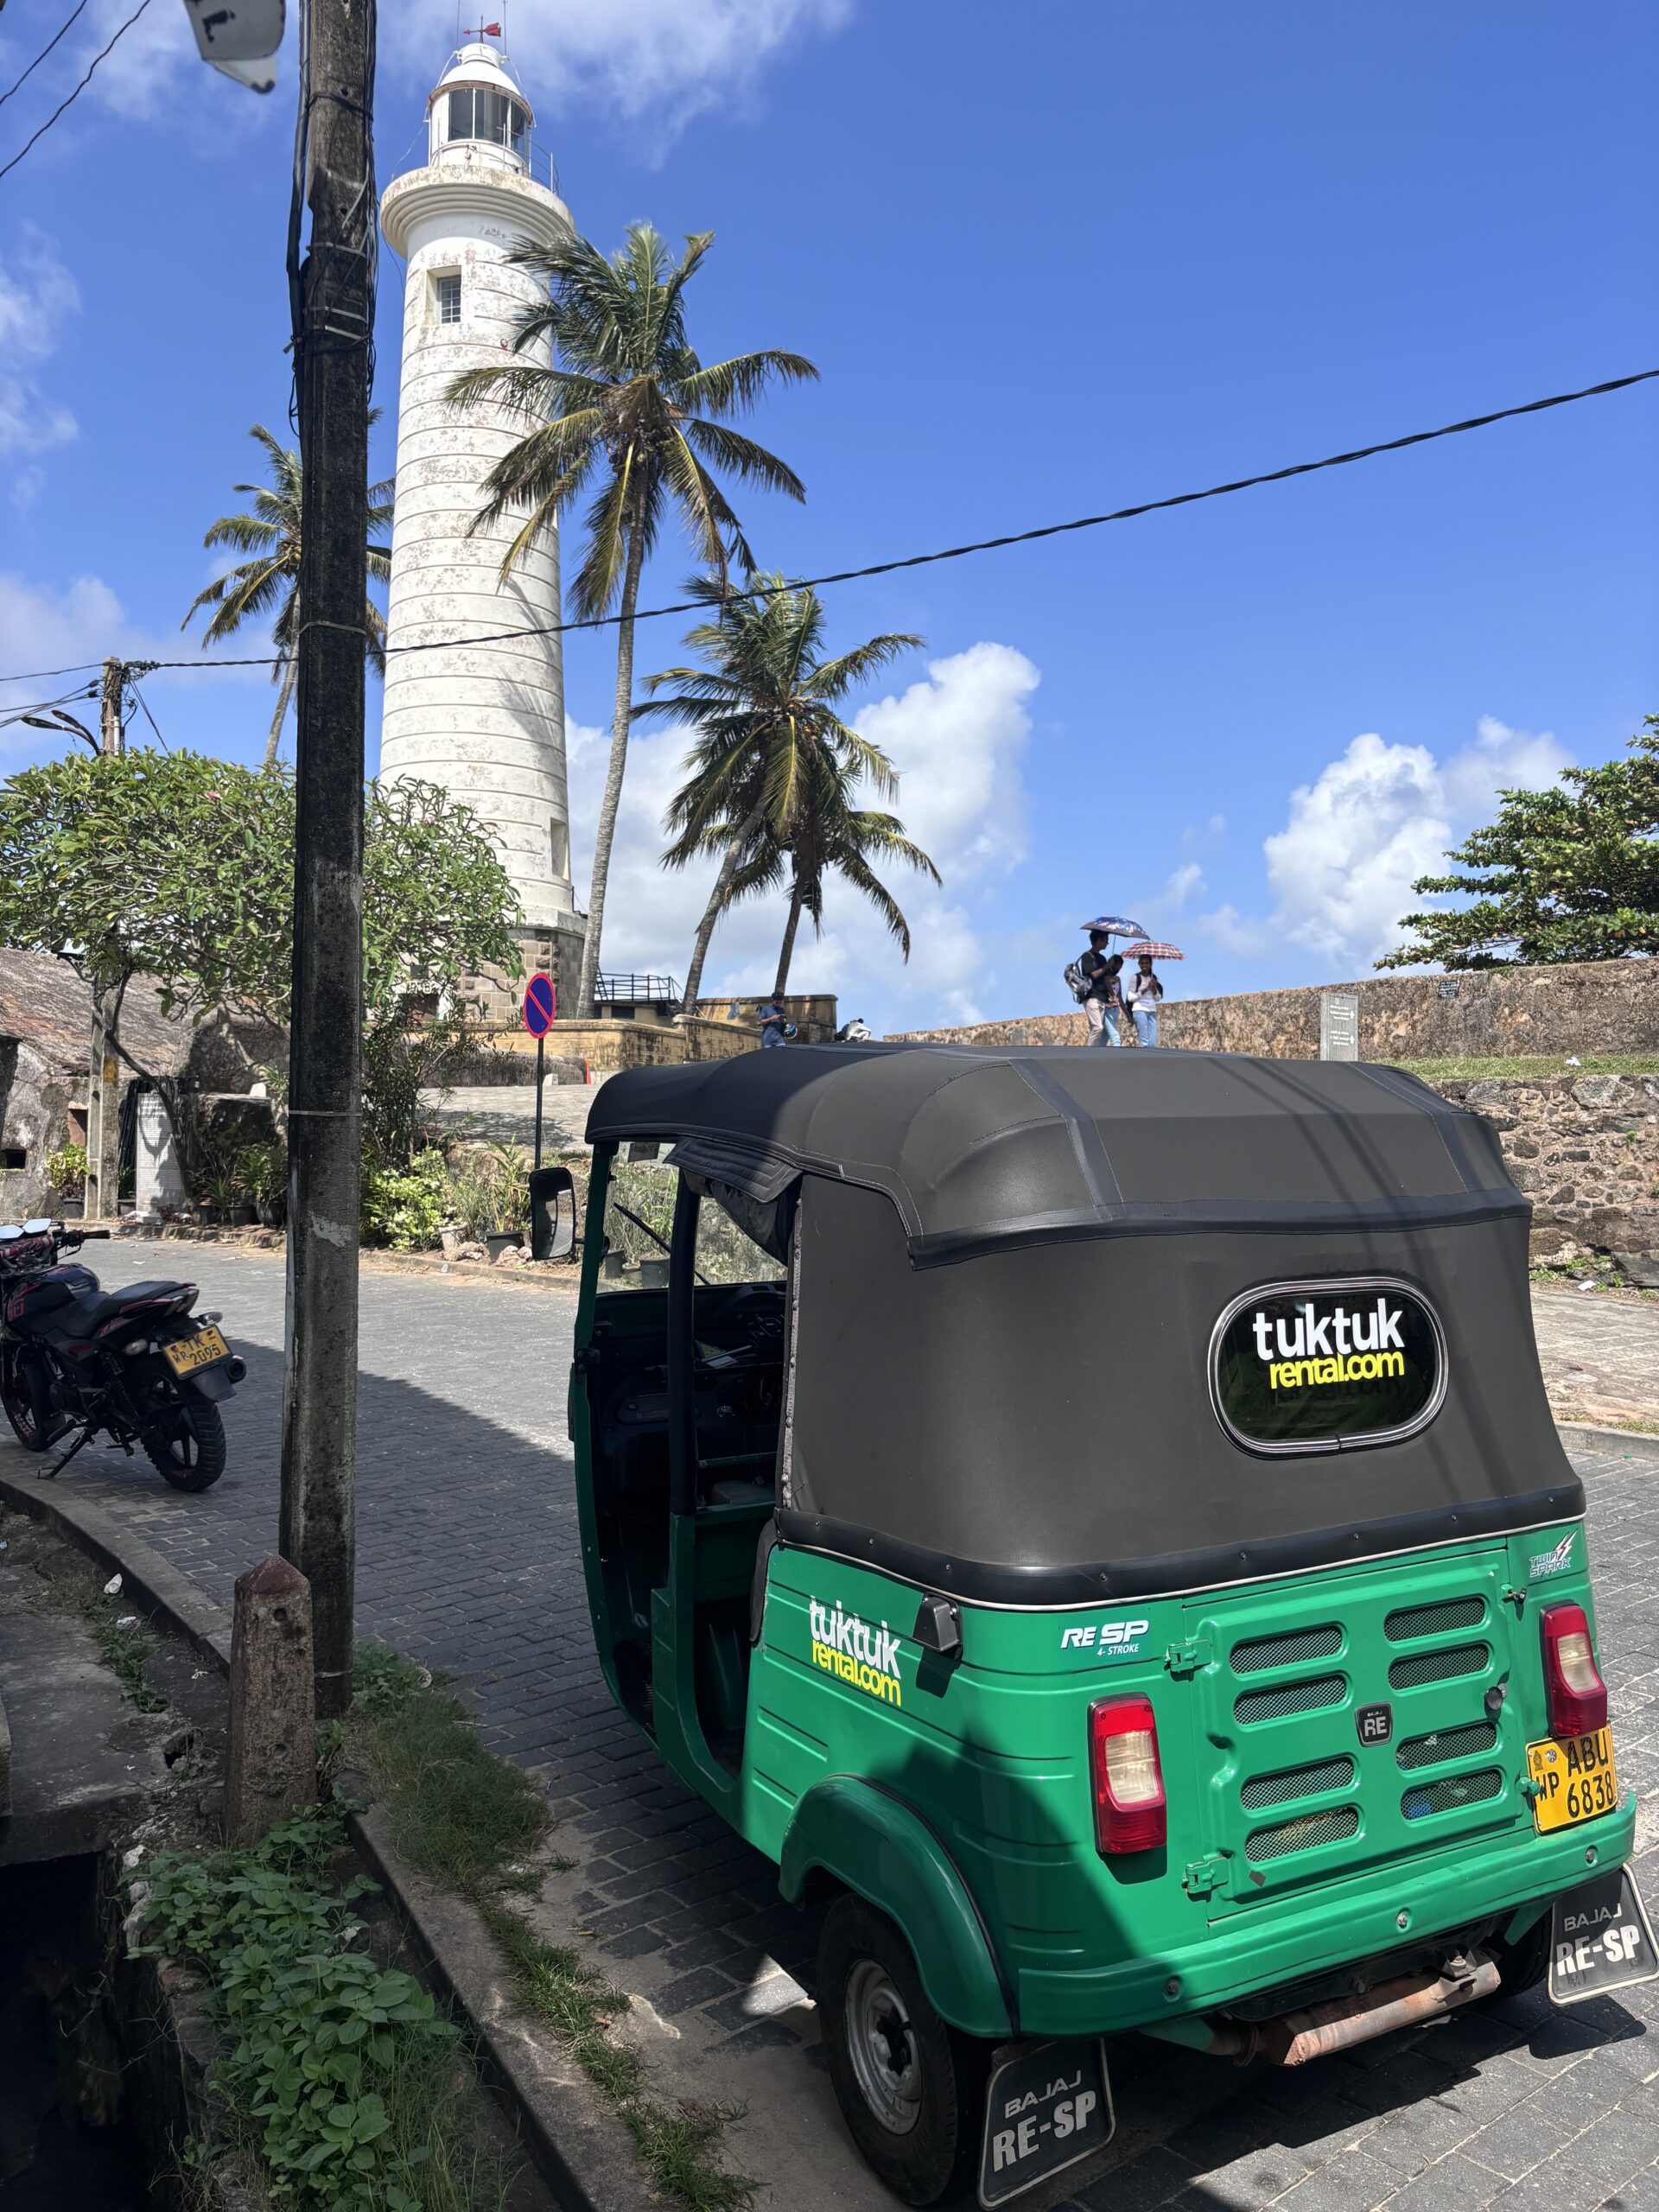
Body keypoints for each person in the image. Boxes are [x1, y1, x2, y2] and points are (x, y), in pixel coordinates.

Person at [1078, 934, 1125, 1046]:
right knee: (1097, 1028)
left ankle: (1094, 1054)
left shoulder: (1102, 958)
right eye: (1106, 940)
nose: (1107, 943)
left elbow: (1106, 978)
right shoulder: (1087, 956)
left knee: (1098, 1030)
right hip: (1091, 997)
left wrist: (1112, 996)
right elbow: (1093, 975)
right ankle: (1088, 1055)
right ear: (1099, 940)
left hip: (1102, 999)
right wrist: (1107, 965)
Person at [1127, 953, 1163, 1046]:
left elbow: (1158, 998)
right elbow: (1130, 998)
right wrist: (1146, 989)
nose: (1144, 965)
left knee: (1153, 1043)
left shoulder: (1154, 978)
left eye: (1147, 963)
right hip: (1139, 1010)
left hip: (1152, 1010)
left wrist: (1154, 989)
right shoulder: (1135, 978)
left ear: (1150, 964)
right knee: (1144, 1042)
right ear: (1139, 964)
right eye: (1142, 963)